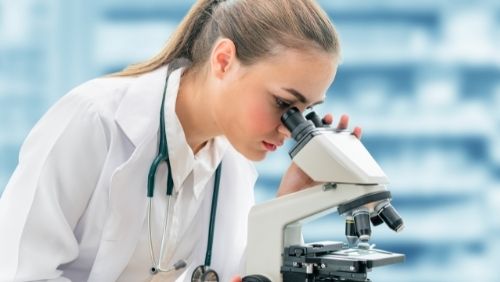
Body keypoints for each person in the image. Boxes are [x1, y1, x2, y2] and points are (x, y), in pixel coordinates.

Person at [0, 0, 362, 281]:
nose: (289, 127)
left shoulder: (231, 163)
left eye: (305, 111)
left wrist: (290, 203)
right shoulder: (93, 120)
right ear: (223, 61)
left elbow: (234, 274)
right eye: (284, 104)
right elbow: (19, 272)